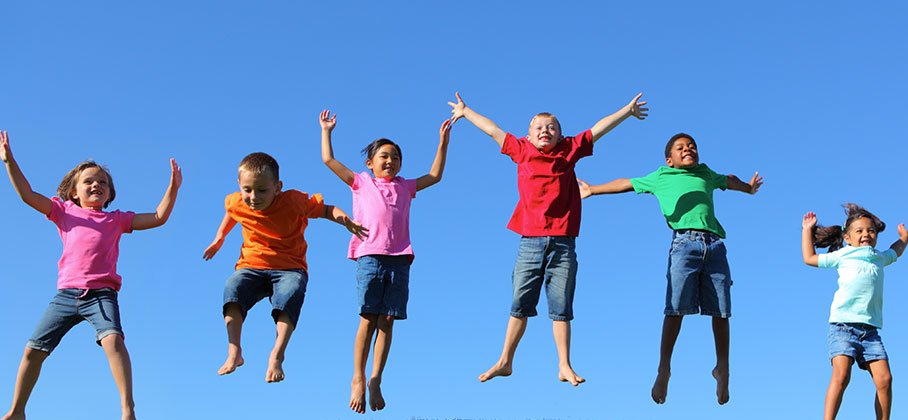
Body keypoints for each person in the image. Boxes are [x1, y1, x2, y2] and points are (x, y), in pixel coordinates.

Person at [448, 92, 647, 386]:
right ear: (528, 136)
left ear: (561, 135)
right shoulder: (520, 150)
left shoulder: (569, 150)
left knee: (561, 306)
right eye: (539, 127)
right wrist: (466, 111)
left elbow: (598, 129)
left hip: (563, 242)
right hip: (530, 240)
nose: (545, 131)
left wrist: (627, 112)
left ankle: (564, 365)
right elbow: (493, 130)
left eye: (552, 127)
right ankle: (505, 361)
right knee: (519, 303)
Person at [0, 131, 181, 420]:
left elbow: (158, 217)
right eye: (89, 181)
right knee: (33, 351)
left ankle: (127, 408)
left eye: (103, 182)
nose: (96, 184)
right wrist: (9, 161)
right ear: (74, 192)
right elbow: (27, 195)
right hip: (66, 294)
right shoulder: (64, 212)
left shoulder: (116, 219)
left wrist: (173, 187)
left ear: (110, 193)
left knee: (113, 341)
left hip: (100, 295)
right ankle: (18, 410)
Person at [578, 132, 762, 404]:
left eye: (692, 146)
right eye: (681, 148)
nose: (688, 149)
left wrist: (748, 187)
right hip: (684, 245)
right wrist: (593, 189)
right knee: (675, 309)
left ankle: (722, 368)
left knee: (721, 311)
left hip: (714, 246)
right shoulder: (662, 176)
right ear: (670, 160)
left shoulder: (705, 173)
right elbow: (627, 183)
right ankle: (664, 368)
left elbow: (729, 180)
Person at [320, 110, 454, 413]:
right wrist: (327, 132)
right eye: (384, 156)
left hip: (400, 258)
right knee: (368, 317)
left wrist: (442, 142)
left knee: (388, 320)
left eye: (395, 157)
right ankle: (357, 376)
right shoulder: (361, 182)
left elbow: (435, 176)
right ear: (370, 163)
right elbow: (329, 161)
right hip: (369, 255)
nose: (390, 161)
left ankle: (376, 379)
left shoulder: (405, 186)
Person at [203, 152, 366, 383]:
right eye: (247, 189)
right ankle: (234, 351)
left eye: (262, 190)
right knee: (232, 288)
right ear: (239, 185)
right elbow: (232, 212)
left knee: (290, 295)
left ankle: (277, 355)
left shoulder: (294, 201)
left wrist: (345, 220)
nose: (253, 197)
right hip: (252, 265)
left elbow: (327, 209)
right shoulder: (236, 200)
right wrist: (219, 238)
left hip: (289, 268)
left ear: (277, 187)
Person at [801, 204, 907, 420]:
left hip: (871, 333)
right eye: (859, 231)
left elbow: (895, 251)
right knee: (841, 376)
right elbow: (809, 258)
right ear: (847, 237)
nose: (866, 234)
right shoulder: (842, 255)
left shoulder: (879, 257)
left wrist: (904, 239)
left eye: (871, 231)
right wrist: (806, 230)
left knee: (885, 380)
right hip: (842, 327)